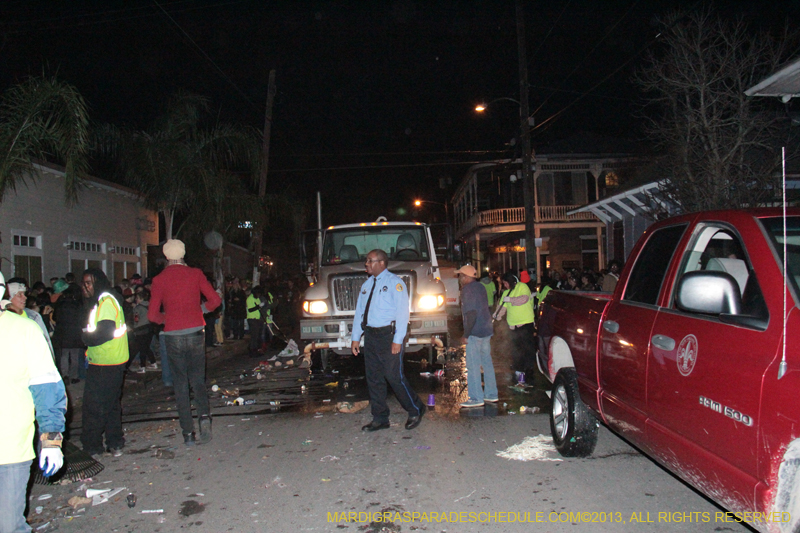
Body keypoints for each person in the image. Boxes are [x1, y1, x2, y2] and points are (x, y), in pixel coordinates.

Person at [0, 271, 67, 533]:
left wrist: (51, 441)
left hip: (8, 451)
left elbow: (47, 387)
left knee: (8, 526)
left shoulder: (24, 329)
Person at [149, 239, 221, 446]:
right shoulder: (195, 274)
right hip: (196, 331)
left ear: (166, 256)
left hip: (173, 336)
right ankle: (204, 418)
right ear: (183, 254)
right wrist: (201, 311)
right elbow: (215, 300)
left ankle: (187, 433)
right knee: (197, 380)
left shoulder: (159, 279)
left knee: (180, 384)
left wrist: (168, 320)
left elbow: (153, 315)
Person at [351, 249, 426, 431]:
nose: (366, 264)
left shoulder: (395, 283)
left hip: (388, 336)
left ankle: (416, 409)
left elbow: (402, 313)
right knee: (374, 379)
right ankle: (380, 418)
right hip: (371, 336)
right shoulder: (367, 285)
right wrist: (355, 337)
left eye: (370, 261)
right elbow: (360, 313)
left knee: (394, 377)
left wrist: (398, 339)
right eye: (366, 261)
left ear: (382, 263)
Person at [80, 268, 129, 457]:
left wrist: (85, 338)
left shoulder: (106, 301)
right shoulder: (101, 301)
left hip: (106, 362)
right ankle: (115, 442)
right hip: (109, 360)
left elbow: (105, 331)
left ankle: (92, 446)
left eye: (89, 283)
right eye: (83, 283)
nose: (85, 287)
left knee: (94, 406)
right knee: (110, 405)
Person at [455, 265, 498, 408]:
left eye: (460, 276)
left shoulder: (467, 290)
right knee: (486, 362)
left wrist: (466, 334)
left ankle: (475, 397)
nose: (459, 278)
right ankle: (491, 394)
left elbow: (471, 314)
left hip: (475, 331)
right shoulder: (480, 287)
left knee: (472, 365)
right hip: (486, 329)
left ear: (467, 277)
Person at [493, 271, 536, 384]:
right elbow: (502, 307)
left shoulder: (522, 286)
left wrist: (511, 300)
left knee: (527, 348)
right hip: (513, 325)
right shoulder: (506, 293)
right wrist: (497, 315)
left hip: (525, 323)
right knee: (515, 349)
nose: (505, 286)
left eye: (506, 283)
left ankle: (529, 370)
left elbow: (524, 299)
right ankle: (518, 369)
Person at [246, 285, 264, 356]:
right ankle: (253, 351)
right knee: (254, 336)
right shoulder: (250, 299)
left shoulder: (256, 298)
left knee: (258, 336)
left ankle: (256, 349)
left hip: (257, 319)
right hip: (252, 319)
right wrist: (258, 306)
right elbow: (250, 309)